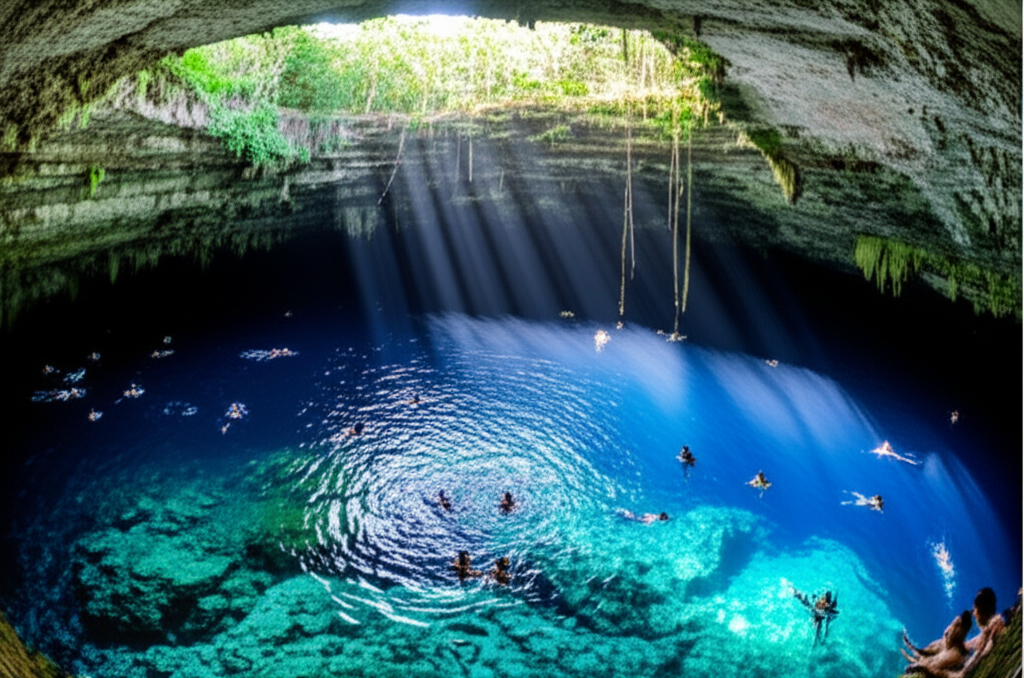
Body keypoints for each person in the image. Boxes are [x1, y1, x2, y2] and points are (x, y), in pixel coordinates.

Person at [901, 611, 972, 677]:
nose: (948, 630)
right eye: (952, 624)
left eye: (955, 626)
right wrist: (913, 649)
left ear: (961, 634)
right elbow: (923, 654)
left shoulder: (958, 655)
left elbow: (955, 675)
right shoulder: (941, 643)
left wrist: (926, 669)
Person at [959, 587, 1006, 675]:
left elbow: (983, 654)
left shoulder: (996, 625)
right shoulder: (987, 631)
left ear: (980, 608)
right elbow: (968, 645)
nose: (974, 614)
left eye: (974, 609)